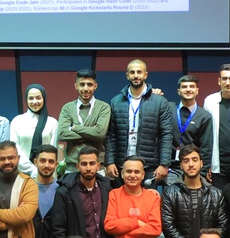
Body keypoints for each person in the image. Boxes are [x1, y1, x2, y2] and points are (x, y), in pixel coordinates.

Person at [159, 145, 227, 238]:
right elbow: (168, 227)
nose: (191, 164)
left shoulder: (216, 194)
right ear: (181, 165)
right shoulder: (170, 192)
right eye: (186, 161)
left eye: (194, 160)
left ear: (201, 163)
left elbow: (222, 225)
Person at [106, 59, 174, 188]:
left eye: (139, 72)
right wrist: (109, 162)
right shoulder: (116, 101)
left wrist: (164, 164)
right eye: (132, 72)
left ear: (145, 75)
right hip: (121, 165)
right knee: (121, 200)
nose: (136, 75)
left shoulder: (160, 101)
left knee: (148, 200)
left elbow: (166, 134)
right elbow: (111, 135)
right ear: (127, 75)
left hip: (149, 166)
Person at [53, 146, 113, 238]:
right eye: (84, 164)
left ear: (98, 166)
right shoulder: (65, 192)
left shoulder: (106, 188)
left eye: (92, 163)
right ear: (77, 166)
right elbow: (57, 229)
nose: (88, 168)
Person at [104, 157, 163, 238]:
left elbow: (155, 229)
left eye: (137, 172)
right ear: (122, 173)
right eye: (129, 171)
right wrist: (136, 223)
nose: (132, 175)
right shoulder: (113, 195)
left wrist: (122, 236)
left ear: (143, 175)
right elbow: (110, 225)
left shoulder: (152, 198)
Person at [56, 69, 111, 171]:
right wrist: (91, 133)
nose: (86, 88)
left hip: (97, 167)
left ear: (95, 86)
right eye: (82, 84)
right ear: (76, 86)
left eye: (89, 84)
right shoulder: (67, 108)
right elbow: (62, 134)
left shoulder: (103, 107)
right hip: (72, 166)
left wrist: (74, 128)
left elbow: (100, 133)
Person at [13, 84, 59, 179]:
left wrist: (42, 168)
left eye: (38, 98)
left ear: (44, 99)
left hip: (47, 172)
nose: (34, 102)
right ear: (26, 100)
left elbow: (53, 150)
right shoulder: (17, 121)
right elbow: (15, 149)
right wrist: (32, 170)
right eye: (31, 98)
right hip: (21, 172)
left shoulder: (52, 122)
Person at [30, 145, 64, 238]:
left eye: (51, 161)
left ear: (56, 164)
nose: (47, 165)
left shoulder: (62, 190)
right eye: (43, 160)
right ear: (35, 162)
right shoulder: (25, 188)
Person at [171, 75, 213, 170]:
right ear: (178, 91)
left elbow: (206, 148)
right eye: (184, 87)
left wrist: (203, 172)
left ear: (197, 91)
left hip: (193, 167)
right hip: (171, 166)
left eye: (192, 86)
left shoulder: (204, 116)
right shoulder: (169, 109)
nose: (188, 89)